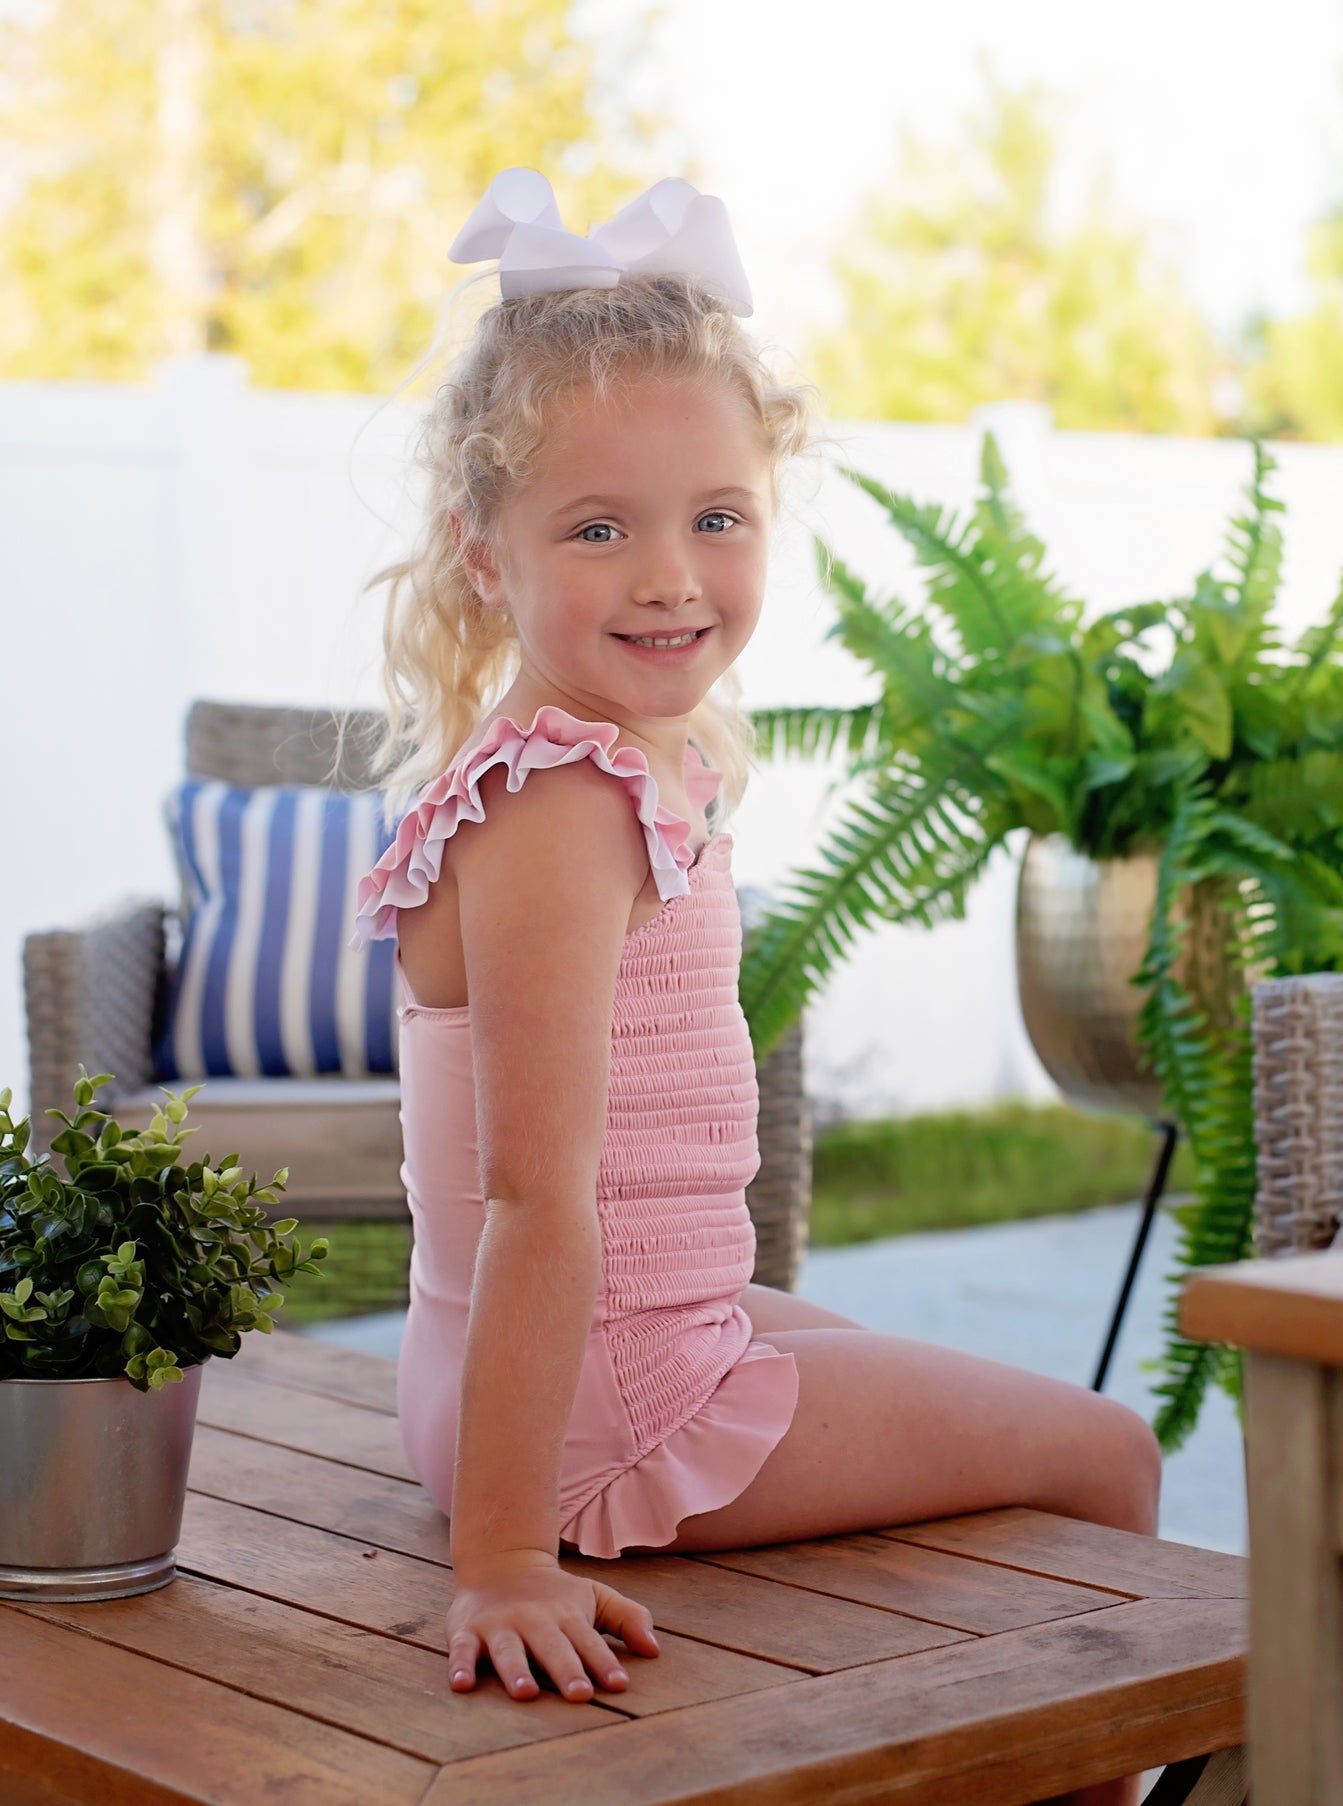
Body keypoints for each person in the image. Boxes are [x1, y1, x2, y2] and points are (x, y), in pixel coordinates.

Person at [352, 168, 1161, 1806]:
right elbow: (532, 1198)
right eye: (600, 527)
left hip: (534, 1374)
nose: (670, 576)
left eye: (714, 516)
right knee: (1104, 1451)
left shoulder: (545, 767)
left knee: (874, 1351)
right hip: (603, 1404)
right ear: (483, 550)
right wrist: (502, 1554)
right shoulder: (568, 808)